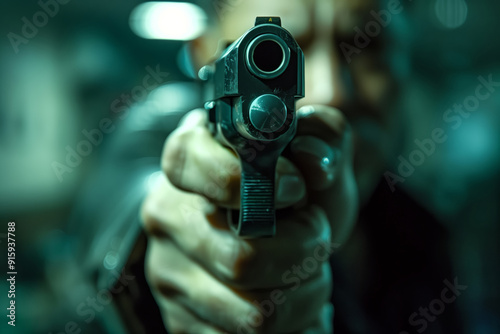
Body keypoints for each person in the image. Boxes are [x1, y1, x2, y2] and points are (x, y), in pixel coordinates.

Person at [68, 0, 463, 333]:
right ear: (210, 57)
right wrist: (162, 249)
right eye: (274, 55)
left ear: (405, 60)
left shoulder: (422, 232)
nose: (330, 91)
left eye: (367, 47)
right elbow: (132, 192)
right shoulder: (158, 130)